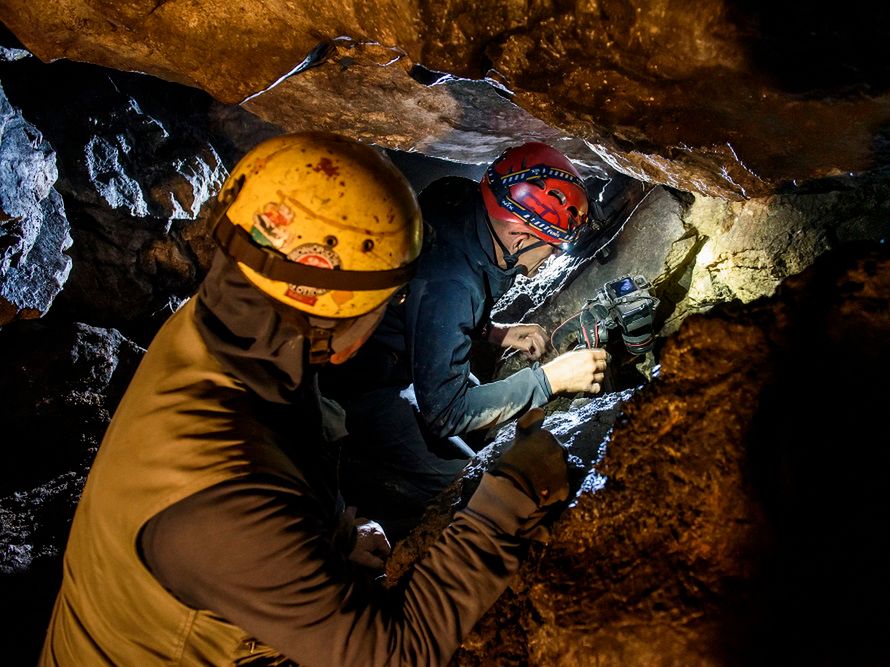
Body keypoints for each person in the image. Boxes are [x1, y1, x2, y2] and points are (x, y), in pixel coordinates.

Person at [39, 132, 572, 666]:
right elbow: (393, 656)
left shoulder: (224, 332)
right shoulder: (227, 501)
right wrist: (509, 494)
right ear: (339, 307)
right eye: (392, 298)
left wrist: (334, 535)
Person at [321, 142, 608, 540]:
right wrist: (549, 380)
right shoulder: (453, 284)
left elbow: (426, 306)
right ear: (520, 235)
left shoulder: (457, 199)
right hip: (358, 388)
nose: (552, 257)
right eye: (552, 245)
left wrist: (496, 332)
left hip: (396, 348)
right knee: (472, 489)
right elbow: (446, 413)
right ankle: (360, 481)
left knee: (488, 423)